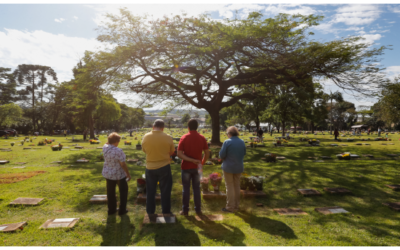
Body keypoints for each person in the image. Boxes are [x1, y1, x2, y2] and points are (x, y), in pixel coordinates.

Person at [142, 119, 175, 216]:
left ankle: (150, 211)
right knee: (165, 190)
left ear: (153, 127)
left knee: (150, 191)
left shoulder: (146, 136)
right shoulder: (168, 137)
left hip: (150, 167)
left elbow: (144, 150)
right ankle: (166, 211)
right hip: (164, 166)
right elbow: (172, 152)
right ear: (163, 128)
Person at [177, 119, 209, 216]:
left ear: (188, 127)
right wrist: (202, 163)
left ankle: (185, 210)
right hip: (197, 167)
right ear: (197, 127)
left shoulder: (184, 137)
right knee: (197, 189)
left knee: (186, 189)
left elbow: (179, 154)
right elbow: (207, 153)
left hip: (186, 167)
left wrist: (190, 160)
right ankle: (198, 210)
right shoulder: (202, 137)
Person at [102, 132, 131, 216]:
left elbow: (106, 143)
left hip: (108, 173)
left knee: (110, 192)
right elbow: (123, 164)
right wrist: (128, 174)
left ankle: (111, 210)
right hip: (119, 175)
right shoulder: (118, 151)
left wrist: (110, 140)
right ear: (116, 141)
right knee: (123, 191)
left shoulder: (105, 147)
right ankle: (122, 210)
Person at [219, 126, 246, 213]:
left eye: (227, 134)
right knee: (237, 186)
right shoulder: (242, 142)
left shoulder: (227, 142)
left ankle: (230, 207)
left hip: (228, 167)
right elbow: (244, 153)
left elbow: (221, 155)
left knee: (229, 186)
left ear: (229, 133)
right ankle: (236, 206)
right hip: (238, 167)